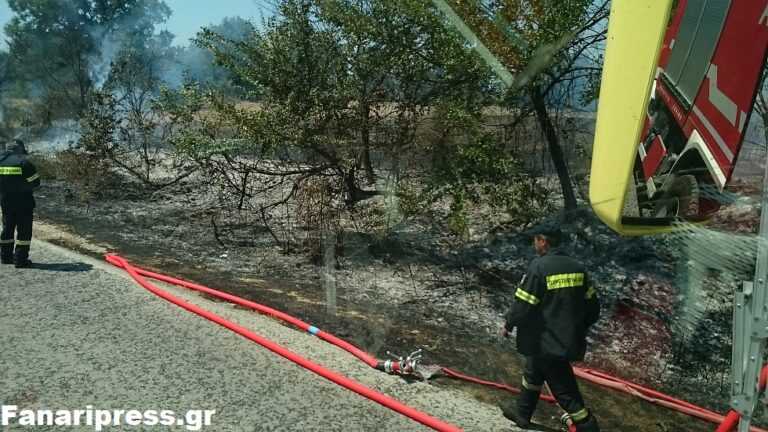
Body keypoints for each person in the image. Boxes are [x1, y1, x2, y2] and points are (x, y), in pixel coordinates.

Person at [501, 223, 601, 431]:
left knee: (564, 390)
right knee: (533, 373)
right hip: (563, 340)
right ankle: (522, 414)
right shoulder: (577, 268)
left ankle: (587, 425)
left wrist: (509, 323)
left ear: (543, 241)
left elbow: (524, 305)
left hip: (545, 340)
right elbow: (593, 308)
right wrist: (576, 328)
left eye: (535, 240)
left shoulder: (539, 267)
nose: (534, 244)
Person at [0, 139, 40, 268]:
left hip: (6, 202)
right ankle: (20, 260)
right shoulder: (24, 163)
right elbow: (36, 183)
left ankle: (6, 257)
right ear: (20, 150)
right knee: (24, 232)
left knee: (7, 229)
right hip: (24, 203)